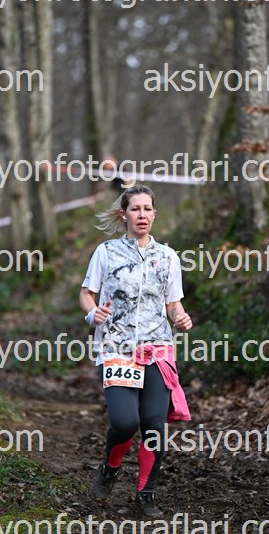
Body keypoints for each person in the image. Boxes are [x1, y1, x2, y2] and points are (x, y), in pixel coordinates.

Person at [79, 185, 193, 518]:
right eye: (135, 209)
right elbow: (87, 293)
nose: (142, 215)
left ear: (154, 214)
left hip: (158, 349)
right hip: (117, 347)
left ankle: (146, 494)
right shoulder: (106, 252)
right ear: (124, 214)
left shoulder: (168, 257)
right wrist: (93, 313)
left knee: (154, 425)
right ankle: (109, 469)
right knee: (125, 421)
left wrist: (180, 317)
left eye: (147, 209)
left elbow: (173, 303)